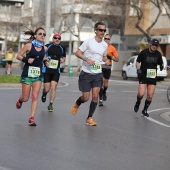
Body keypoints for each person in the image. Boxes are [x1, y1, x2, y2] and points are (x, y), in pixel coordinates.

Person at [71, 21, 110, 126]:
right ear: (96, 31)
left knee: (95, 96)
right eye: (101, 30)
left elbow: (104, 56)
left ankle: (89, 118)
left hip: (97, 74)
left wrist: (106, 60)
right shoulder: (88, 42)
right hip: (86, 73)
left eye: (104, 30)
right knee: (86, 98)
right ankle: (78, 102)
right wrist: (86, 59)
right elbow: (78, 52)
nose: (102, 32)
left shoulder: (105, 45)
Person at [16, 27, 48, 126]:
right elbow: (18, 56)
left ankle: (32, 118)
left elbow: (43, 57)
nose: (42, 35)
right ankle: (20, 100)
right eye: (40, 33)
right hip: (27, 75)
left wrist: (46, 62)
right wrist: (26, 60)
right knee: (26, 98)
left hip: (38, 75)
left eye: (44, 34)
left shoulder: (45, 48)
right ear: (35, 35)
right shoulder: (29, 46)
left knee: (35, 97)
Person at [133, 39, 164, 117]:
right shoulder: (144, 53)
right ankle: (138, 102)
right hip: (143, 75)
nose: (154, 47)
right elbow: (137, 62)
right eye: (153, 45)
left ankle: (144, 110)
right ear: (150, 44)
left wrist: (161, 66)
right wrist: (138, 69)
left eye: (156, 46)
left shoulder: (158, 54)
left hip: (152, 76)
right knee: (141, 93)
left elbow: (161, 63)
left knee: (150, 96)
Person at [41, 33, 66, 112]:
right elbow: (42, 55)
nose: (57, 39)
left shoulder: (62, 48)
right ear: (53, 39)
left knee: (54, 87)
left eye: (59, 38)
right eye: (55, 38)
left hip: (56, 70)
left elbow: (64, 56)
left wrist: (63, 59)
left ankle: (51, 104)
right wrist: (45, 61)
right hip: (47, 70)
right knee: (47, 88)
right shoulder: (48, 46)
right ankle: (44, 93)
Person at [99, 34, 119, 106]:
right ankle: (100, 99)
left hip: (108, 67)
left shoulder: (112, 48)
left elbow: (117, 59)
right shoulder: (100, 46)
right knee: (100, 83)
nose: (106, 40)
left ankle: (104, 92)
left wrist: (111, 57)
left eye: (108, 39)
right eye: (105, 38)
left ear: (110, 40)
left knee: (105, 84)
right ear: (103, 39)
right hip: (100, 66)